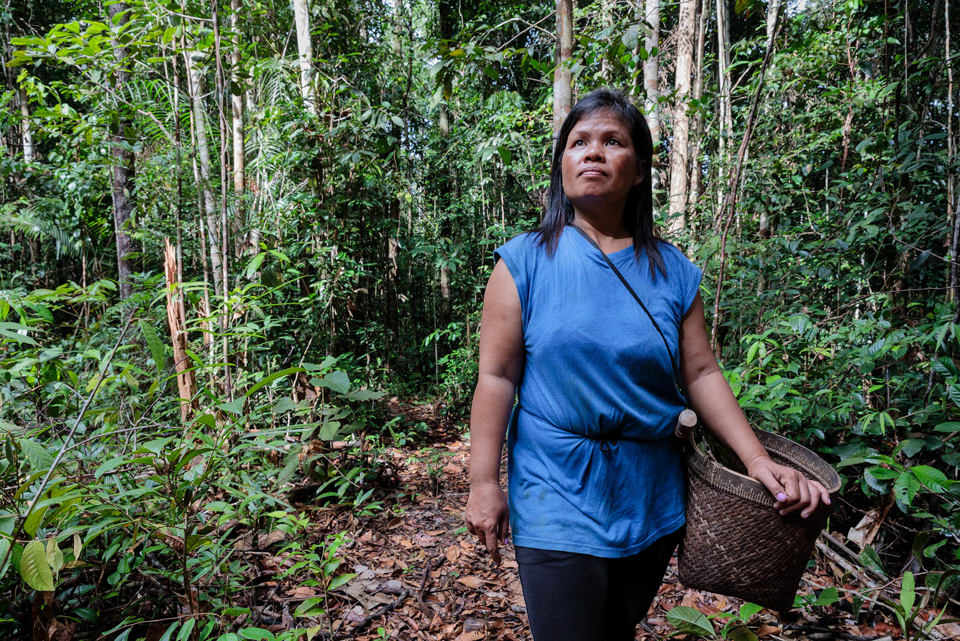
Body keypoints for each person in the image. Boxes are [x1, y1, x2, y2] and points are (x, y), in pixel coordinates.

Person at [464, 88, 831, 641]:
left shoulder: (674, 271)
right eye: (578, 142)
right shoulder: (524, 261)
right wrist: (482, 482)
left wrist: (756, 461)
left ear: (638, 171)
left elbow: (701, 373)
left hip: (649, 492)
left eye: (613, 142)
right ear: (561, 163)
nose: (593, 152)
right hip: (554, 481)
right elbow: (497, 376)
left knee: (615, 629)